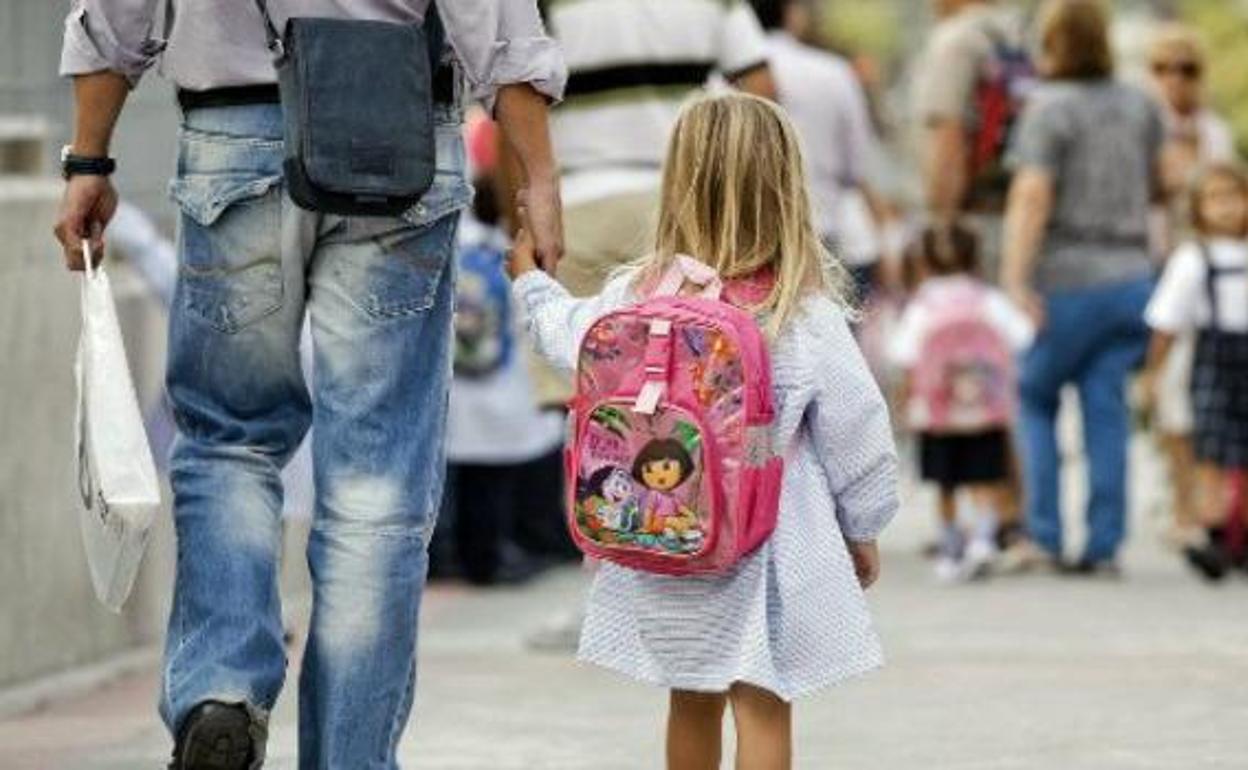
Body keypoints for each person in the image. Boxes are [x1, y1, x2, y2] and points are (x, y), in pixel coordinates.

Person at [52, 2, 566, 767]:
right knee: (377, 488)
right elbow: (494, 19)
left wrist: (89, 162)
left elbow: (118, 12)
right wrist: (540, 178)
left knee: (230, 441)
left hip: (234, 137)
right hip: (398, 138)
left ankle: (222, 684)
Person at [510, 92, 899, 770]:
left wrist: (531, 283)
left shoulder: (637, 295)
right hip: (766, 543)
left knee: (690, 696)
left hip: (667, 534)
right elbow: (857, 428)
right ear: (787, 190)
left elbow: (567, 336)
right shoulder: (801, 312)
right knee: (763, 702)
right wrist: (861, 525)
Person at [1002, 0, 1163, 576]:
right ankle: (1105, 542)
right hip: (1131, 274)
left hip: (1067, 275)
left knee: (1034, 395)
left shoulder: (1048, 108)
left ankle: (1044, 532)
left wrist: (1015, 278)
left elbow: (1032, 195)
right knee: (1105, 405)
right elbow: (1162, 185)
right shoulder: (1141, 104)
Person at [889, 224, 1034, 582]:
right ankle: (983, 540)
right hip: (985, 411)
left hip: (938, 415)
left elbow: (903, 354)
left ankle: (951, 548)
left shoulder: (923, 305)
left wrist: (907, 402)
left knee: (946, 484)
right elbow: (1023, 336)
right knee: (984, 478)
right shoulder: (988, 299)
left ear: (924, 261)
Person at [1145, 23, 1237, 546]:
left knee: (1198, 399)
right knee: (1168, 399)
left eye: (1185, 69)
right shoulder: (1144, 125)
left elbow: (1223, 189)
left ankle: (1204, 505)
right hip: (1158, 266)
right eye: (1162, 68)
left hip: (1210, 279)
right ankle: (1182, 498)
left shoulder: (1213, 133)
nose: (1174, 80)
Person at [1143, 164, 1248, 581]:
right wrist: (1154, 372)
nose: (1225, 208)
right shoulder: (1191, 260)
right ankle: (1214, 530)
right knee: (1210, 451)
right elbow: (1166, 323)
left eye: (1233, 197)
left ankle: (1241, 531)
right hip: (1214, 361)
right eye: (1214, 199)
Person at [750, 0, 885, 304]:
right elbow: (857, 164)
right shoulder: (833, 71)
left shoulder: (724, 76)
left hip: (750, 237)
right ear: (791, 12)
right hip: (821, 228)